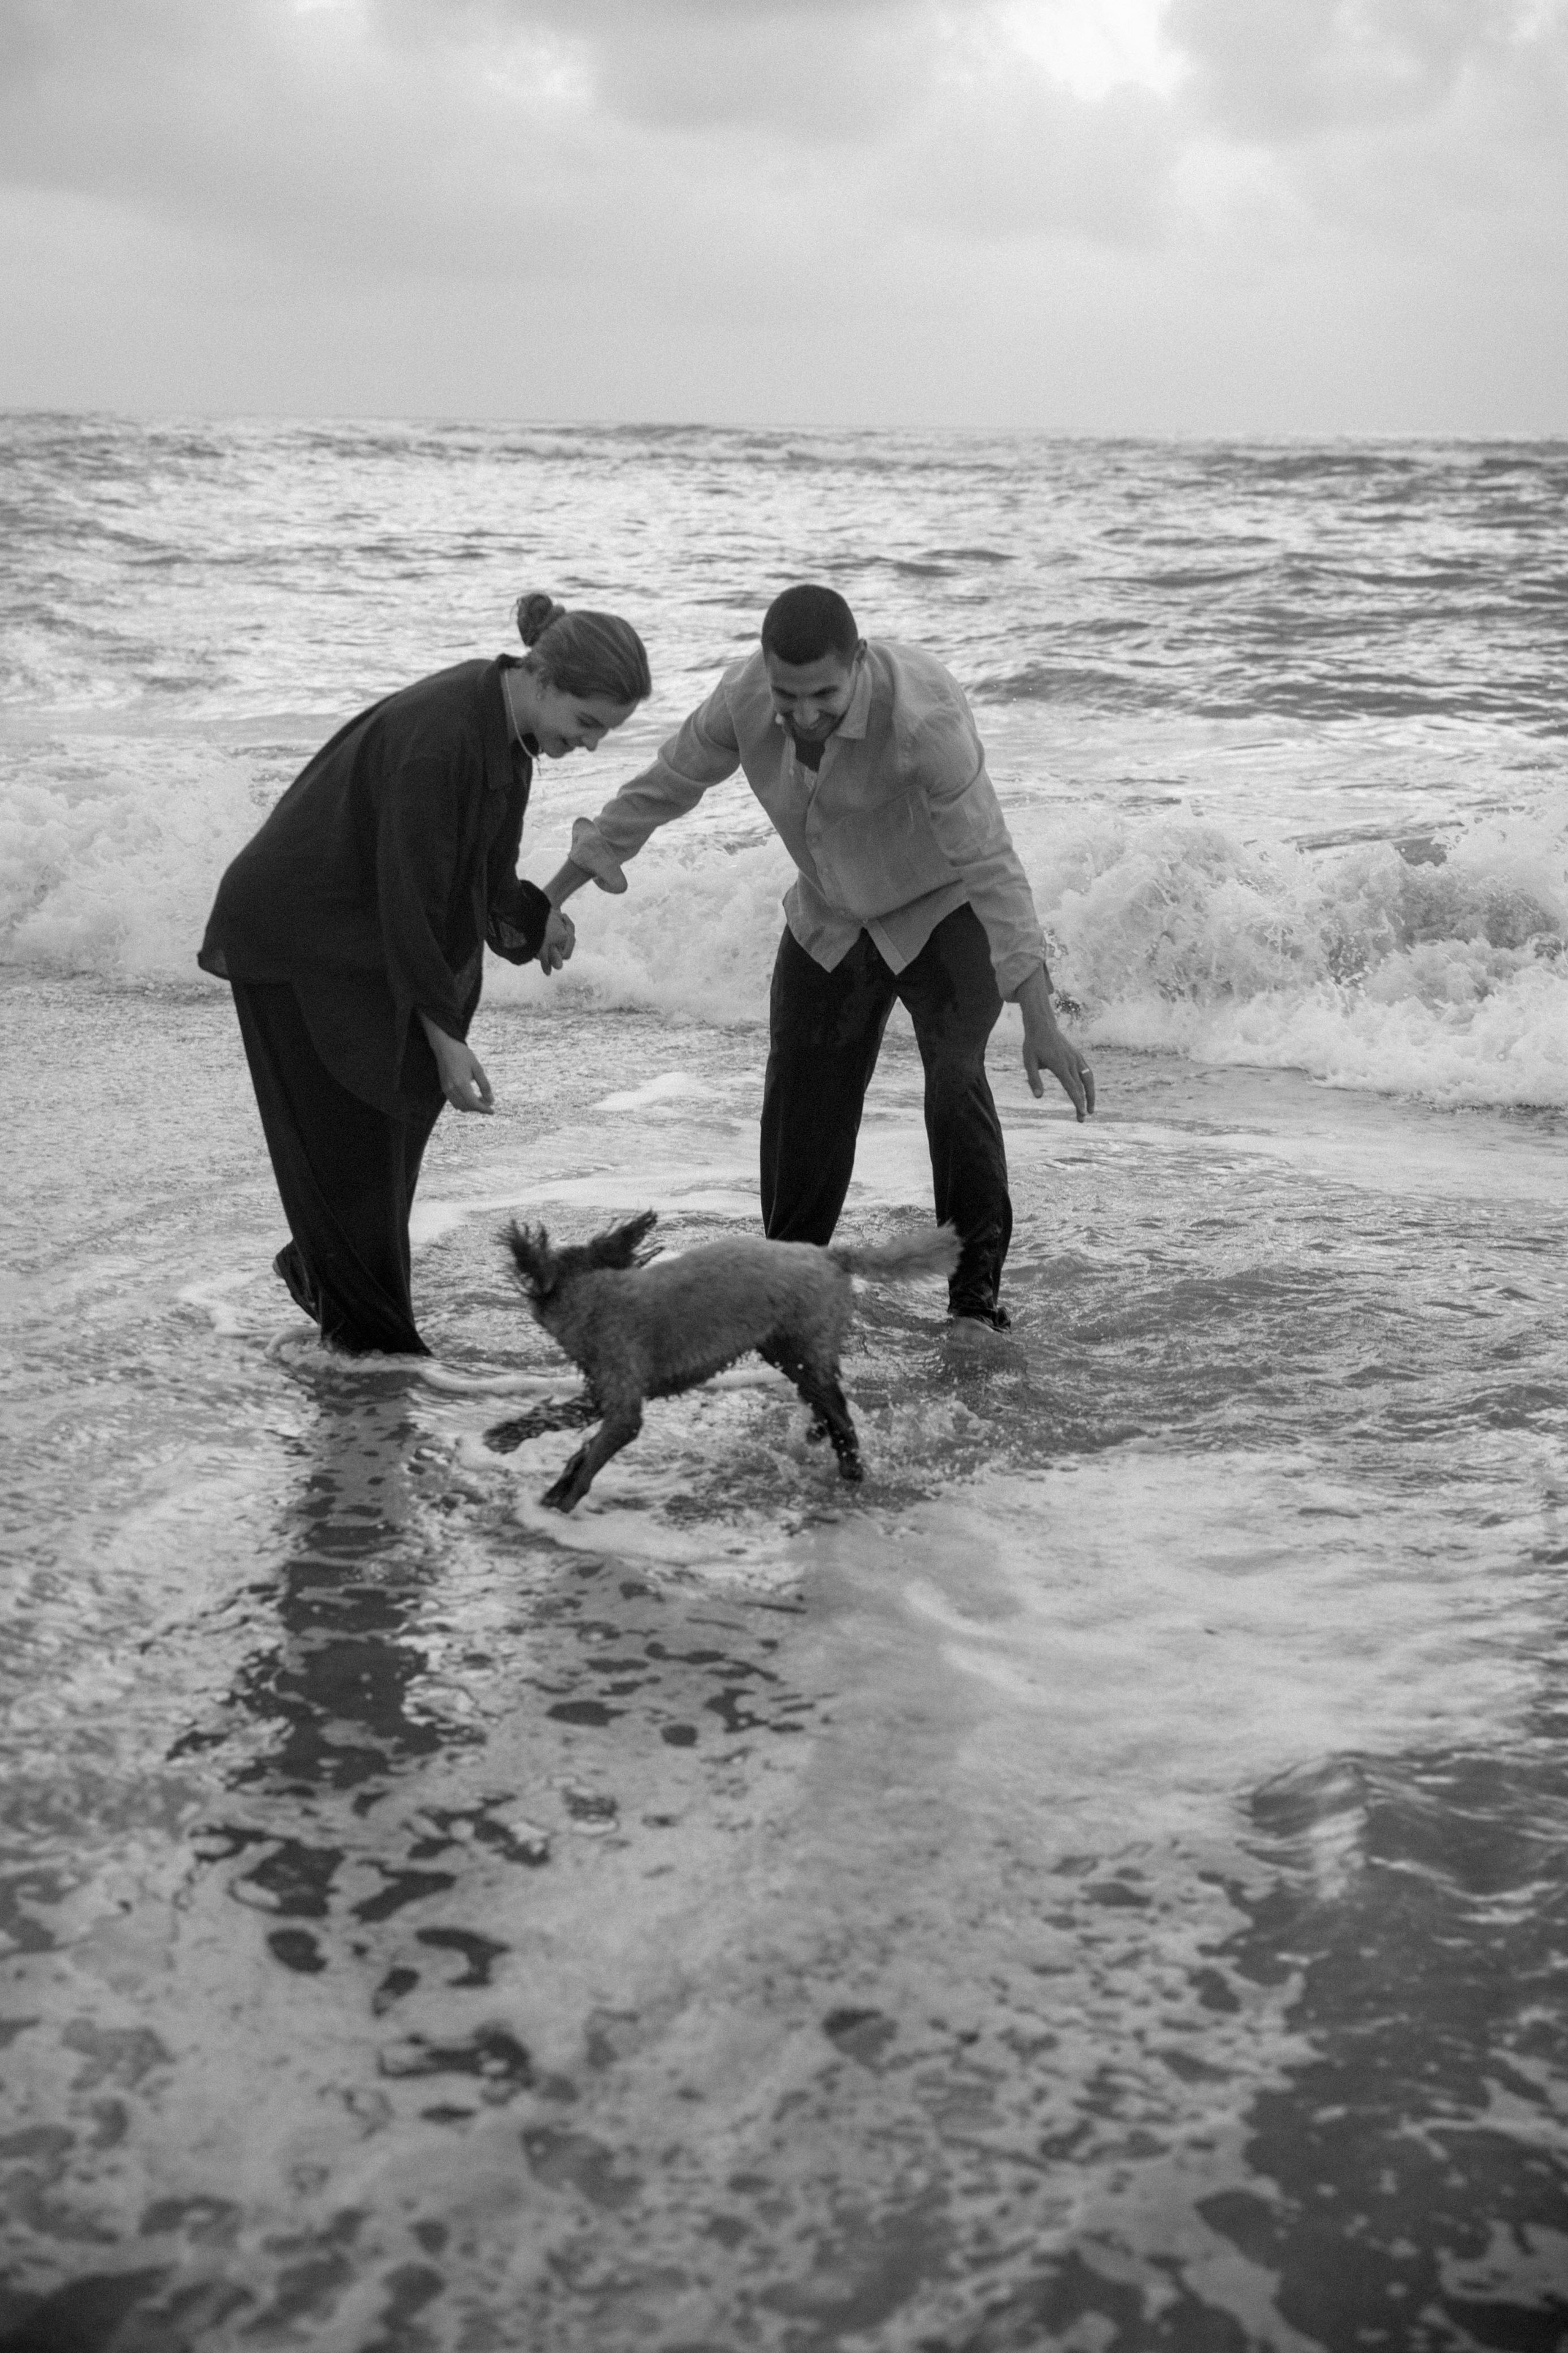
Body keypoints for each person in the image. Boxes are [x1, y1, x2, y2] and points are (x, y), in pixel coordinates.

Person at [542, 584, 1092, 1330]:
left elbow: (992, 864)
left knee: (955, 1078)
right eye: (787, 694)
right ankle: (791, 1291)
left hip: (941, 907)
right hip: (831, 914)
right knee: (803, 1096)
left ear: (858, 663)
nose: (802, 715)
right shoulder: (742, 697)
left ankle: (973, 1307)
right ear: (766, 671)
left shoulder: (922, 720)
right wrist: (556, 893)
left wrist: (1039, 1018)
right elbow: (665, 785)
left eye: (824, 695)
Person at [198, 593, 650, 1356]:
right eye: (590, 723)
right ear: (543, 680)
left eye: (605, 731)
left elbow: (474, 874)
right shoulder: (443, 738)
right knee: (363, 1135)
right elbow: (411, 897)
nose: (594, 744)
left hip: (358, 932)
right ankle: (377, 1359)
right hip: (299, 937)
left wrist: (535, 919)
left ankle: (327, 1277)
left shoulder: (506, 730)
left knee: (389, 1128)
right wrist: (445, 1041)